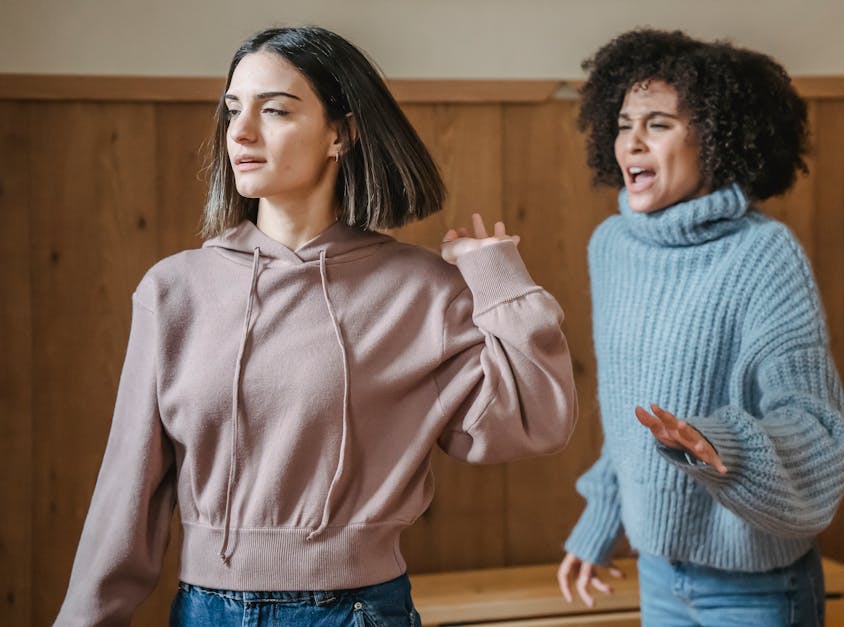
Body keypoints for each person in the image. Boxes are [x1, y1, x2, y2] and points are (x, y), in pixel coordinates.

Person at [55, 25, 577, 626]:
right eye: (232, 111)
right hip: (204, 611)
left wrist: (498, 281)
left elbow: (536, 423)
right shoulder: (174, 290)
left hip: (357, 611)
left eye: (274, 110)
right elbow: (127, 491)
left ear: (341, 132)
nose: (241, 133)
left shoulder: (420, 289)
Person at [556, 29, 844, 626]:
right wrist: (601, 515)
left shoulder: (764, 255)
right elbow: (628, 410)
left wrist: (725, 446)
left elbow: (817, 427)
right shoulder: (611, 246)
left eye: (658, 124)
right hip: (658, 571)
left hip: (758, 587)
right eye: (622, 124)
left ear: (717, 141)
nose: (631, 143)